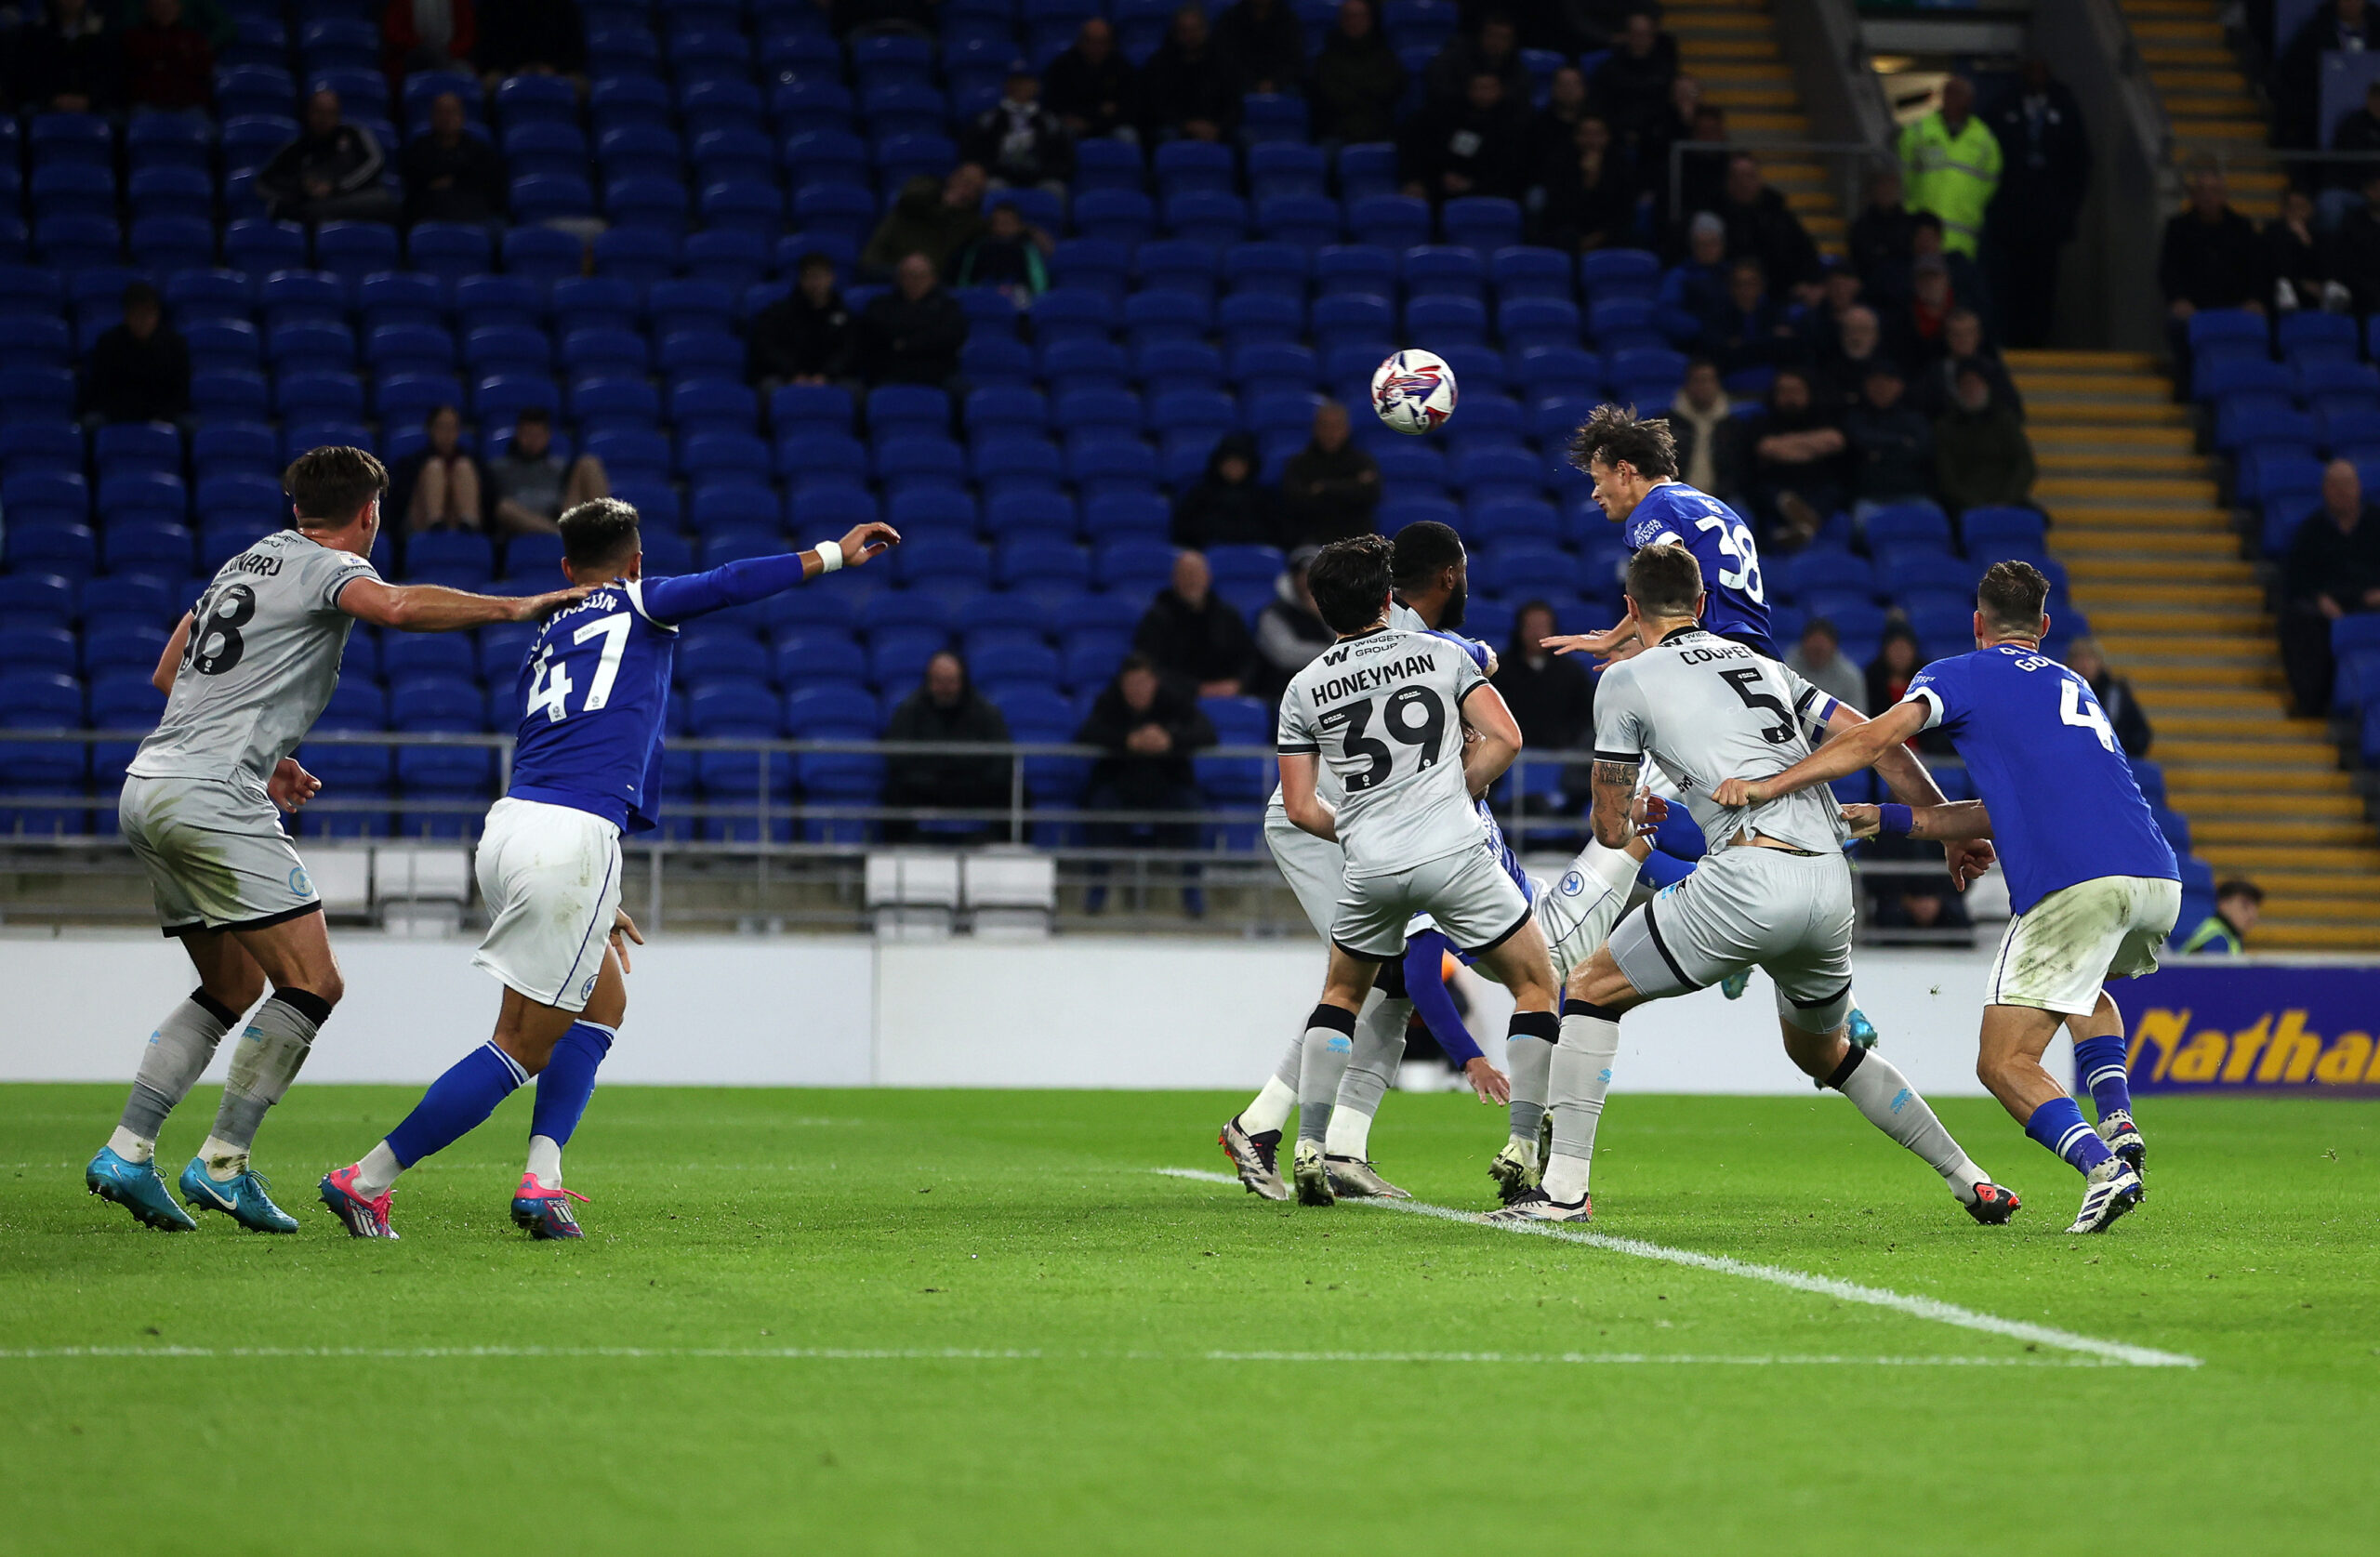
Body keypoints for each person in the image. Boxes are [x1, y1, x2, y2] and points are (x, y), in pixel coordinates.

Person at [321, 504, 899, 1238]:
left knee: (604, 1002)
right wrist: (834, 553)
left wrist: (594, 891)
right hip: (573, 835)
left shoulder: (550, 628)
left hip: (512, 827)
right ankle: (367, 1178)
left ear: (566, 568)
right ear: (636, 560)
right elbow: (729, 582)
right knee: (520, 1044)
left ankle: (543, 1177)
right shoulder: (638, 599)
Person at [85, 446, 588, 1235]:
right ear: (369, 515)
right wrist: (515, 607)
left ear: (296, 510)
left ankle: (128, 1148)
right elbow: (392, 608)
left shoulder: (240, 565)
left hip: (149, 783)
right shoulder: (328, 566)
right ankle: (222, 1164)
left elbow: (169, 668)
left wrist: (271, 753)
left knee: (229, 988)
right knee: (314, 982)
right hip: (215, 793)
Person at [1495, 542, 2006, 1225]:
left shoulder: (1624, 679)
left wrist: (1634, 816)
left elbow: (1611, 827)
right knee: (1823, 1050)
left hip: (1748, 875)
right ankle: (1968, 1175)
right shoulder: (1764, 663)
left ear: (1629, 609)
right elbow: (1880, 739)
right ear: (1703, 605)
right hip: (1830, 882)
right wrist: (1948, 827)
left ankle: (1562, 1194)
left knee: (1588, 987)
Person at [1719, 560, 2179, 1234]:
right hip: (2156, 878)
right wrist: (1896, 820)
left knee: (2003, 1062)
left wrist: (1771, 785)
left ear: (1976, 623)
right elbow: (2014, 809)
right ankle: (2119, 1120)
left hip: (2074, 883)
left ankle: (2102, 1167)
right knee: (2083, 991)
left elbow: (1877, 737)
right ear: (2044, 627)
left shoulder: (1958, 672)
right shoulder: (2074, 683)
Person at [1221, 521, 1529, 1201]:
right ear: (1445, 577)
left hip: (1369, 824)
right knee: (1366, 977)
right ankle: (1258, 1125)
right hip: (1329, 824)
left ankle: (1342, 1150)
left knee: (1385, 982)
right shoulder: (1420, 640)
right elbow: (1473, 665)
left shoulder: (1400, 639)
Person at [1558, 402, 1777, 660]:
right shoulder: (1711, 505)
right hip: (1760, 652)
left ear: (1624, 471)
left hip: (1712, 652)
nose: (1594, 493)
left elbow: (1673, 585)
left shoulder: (1651, 511)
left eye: (1597, 480)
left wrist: (1610, 640)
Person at [1074, 653, 1216, 916]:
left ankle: (1192, 893)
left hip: (1168, 785)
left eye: (1142, 683)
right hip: (1118, 785)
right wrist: (1128, 740)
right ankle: (1096, 892)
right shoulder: (1109, 702)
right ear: (1122, 685)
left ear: (1154, 683)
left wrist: (1170, 739)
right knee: (1098, 808)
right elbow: (1086, 733)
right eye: (1130, 685)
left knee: (1192, 810)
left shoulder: (1173, 700)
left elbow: (1207, 733)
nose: (1136, 690)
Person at [1983, 55, 2090, 349]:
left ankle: (2039, 342)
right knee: (2010, 284)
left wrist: (2067, 209)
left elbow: (2079, 163)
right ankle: (2011, 341)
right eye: (2031, 71)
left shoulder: (2065, 107)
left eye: (2042, 71)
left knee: (2043, 285)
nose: (2036, 76)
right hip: (2011, 221)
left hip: (2049, 221)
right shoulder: (2003, 106)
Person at [880, 651, 1014, 844]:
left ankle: (1004, 849)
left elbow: (1002, 756)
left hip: (973, 787)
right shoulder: (909, 710)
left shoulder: (986, 711)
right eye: (939, 681)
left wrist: (982, 779)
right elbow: (896, 756)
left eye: (950, 681)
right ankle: (899, 849)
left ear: (962, 681)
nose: (945, 688)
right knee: (893, 793)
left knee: (1017, 795)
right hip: (925, 787)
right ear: (929, 681)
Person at [2279, 459, 2380, 713]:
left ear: (2358, 487)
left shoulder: (2377, 523)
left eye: (2347, 484)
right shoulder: (2311, 530)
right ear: (2324, 490)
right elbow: (2298, 579)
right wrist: (2320, 599)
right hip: (2327, 607)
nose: (2341, 491)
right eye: (2334, 485)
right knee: (2298, 619)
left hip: (2371, 604)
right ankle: (2312, 703)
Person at [2159, 165, 2268, 358]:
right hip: (2193, 306)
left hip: (2235, 303)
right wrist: (2178, 299)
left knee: (2261, 320)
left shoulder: (2242, 227)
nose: (2208, 196)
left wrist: (2254, 298)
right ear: (2192, 195)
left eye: (2214, 191)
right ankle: (2187, 383)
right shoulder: (2177, 228)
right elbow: (2168, 270)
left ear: (2225, 195)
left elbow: (2257, 268)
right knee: (2177, 323)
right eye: (2201, 190)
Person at [1498, 600, 1594, 803]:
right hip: (1509, 762)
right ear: (1519, 629)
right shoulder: (1499, 671)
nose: (1537, 633)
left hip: (1563, 761)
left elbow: (1586, 717)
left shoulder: (1572, 672)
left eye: (1543, 627)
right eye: (1530, 627)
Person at [256, 89, 400, 225]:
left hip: (354, 198)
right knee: (312, 210)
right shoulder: (297, 148)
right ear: (308, 113)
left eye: (330, 113)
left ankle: (304, 213)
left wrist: (335, 187)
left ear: (338, 115)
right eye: (319, 112)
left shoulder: (354, 135)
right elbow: (264, 182)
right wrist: (302, 187)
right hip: (315, 203)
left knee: (381, 200)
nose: (324, 119)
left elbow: (376, 162)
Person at [1897, 75, 2001, 261]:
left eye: (1958, 94)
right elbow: (1902, 174)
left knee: (1959, 286)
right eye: (1948, 92)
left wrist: (1969, 206)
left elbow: (1990, 185)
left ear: (1970, 99)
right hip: (1922, 233)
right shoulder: (1918, 130)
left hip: (1962, 236)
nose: (1952, 98)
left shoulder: (1984, 139)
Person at [1743, 367, 1846, 548]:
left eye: (1796, 391)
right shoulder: (1762, 421)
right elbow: (1767, 448)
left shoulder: (1823, 417)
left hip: (1818, 486)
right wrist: (1812, 447)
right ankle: (1807, 524)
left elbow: (1835, 441)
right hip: (1778, 485)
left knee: (1833, 492)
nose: (1790, 396)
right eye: (1784, 391)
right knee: (1766, 493)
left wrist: (1786, 446)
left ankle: (1802, 528)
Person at [1132, 549, 1258, 697]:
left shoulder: (1227, 616)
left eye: (1196, 574)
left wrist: (1237, 684)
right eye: (1185, 575)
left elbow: (1248, 658)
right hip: (1175, 701)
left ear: (1208, 577)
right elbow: (1151, 668)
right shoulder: (1157, 619)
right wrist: (1196, 689)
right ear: (1174, 579)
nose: (1191, 580)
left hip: (1227, 697)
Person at [1399, 70, 1529, 204]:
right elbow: (1417, 147)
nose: (1484, 94)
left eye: (1490, 88)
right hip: (1441, 188)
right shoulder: (1444, 116)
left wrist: (1473, 185)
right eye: (1479, 88)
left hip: (1493, 191)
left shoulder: (1513, 123)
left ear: (1501, 90)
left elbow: (1512, 169)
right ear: (1469, 90)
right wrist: (1419, 179)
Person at [80, 281, 191, 426]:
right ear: (127, 315)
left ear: (157, 314)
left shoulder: (175, 345)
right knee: (90, 423)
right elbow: (101, 388)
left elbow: (180, 393)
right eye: (138, 314)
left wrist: (163, 417)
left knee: (189, 425)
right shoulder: (109, 343)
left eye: (149, 313)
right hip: (117, 415)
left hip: (163, 416)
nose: (144, 321)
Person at [2273, 0, 2380, 150]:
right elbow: (2292, 75)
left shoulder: (2376, 30)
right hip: (2318, 129)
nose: (2351, 3)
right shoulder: (2316, 31)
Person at [1934, 362, 2037, 515]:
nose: (1971, 389)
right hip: (1963, 503)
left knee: (2037, 519)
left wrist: (2006, 500)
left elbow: (2025, 464)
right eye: (1966, 384)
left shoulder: (2004, 420)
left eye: (1975, 383)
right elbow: (1946, 475)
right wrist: (1973, 503)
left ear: (1986, 385)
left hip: (2006, 498)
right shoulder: (1946, 426)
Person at [1718, 152, 1822, 302]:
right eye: (1736, 177)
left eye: (1749, 176)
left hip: (1779, 296)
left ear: (1759, 179)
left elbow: (1805, 251)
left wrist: (1811, 283)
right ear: (1727, 181)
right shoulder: (1714, 217)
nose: (1743, 183)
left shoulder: (1779, 214)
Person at [856, 253, 970, 389]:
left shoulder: (948, 306)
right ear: (899, 278)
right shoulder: (880, 305)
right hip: (893, 372)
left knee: (963, 392)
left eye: (921, 276)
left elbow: (950, 337)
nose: (915, 281)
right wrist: (926, 337)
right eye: (908, 275)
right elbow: (878, 336)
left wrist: (904, 343)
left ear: (933, 279)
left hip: (939, 373)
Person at [746, 251, 856, 391]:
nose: (815, 284)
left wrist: (827, 375)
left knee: (854, 391)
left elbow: (848, 351)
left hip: (831, 378)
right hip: (786, 376)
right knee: (769, 387)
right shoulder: (781, 312)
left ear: (831, 278)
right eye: (810, 277)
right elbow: (767, 347)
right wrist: (793, 373)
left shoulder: (844, 314)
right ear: (801, 280)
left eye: (819, 277)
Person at [490, 406, 607, 536]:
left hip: (559, 517)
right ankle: (558, 532)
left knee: (589, 463)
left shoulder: (560, 467)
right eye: (527, 435)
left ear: (547, 436)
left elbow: (570, 501)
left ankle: (606, 528)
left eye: (537, 435)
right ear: (518, 434)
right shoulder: (499, 468)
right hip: (519, 524)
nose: (532, 441)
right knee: (505, 508)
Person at [1843, 360, 1936, 520]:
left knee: (1935, 526)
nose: (1881, 387)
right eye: (1875, 382)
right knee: (1862, 529)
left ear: (1900, 385)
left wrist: (1878, 454)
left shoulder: (1916, 419)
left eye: (1887, 382)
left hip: (1914, 495)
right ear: (1865, 386)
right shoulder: (1855, 418)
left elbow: (1922, 451)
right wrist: (1901, 441)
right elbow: (1859, 441)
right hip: (1869, 498)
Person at [1278, 402, 1381, 546]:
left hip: (1357, 542)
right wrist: (1351, 487)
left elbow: (1371, 494)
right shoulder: (1299, 464)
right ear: (1315, 428)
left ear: (1346, 429)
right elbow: (1295, 501)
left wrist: (1323, 488)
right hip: (1312, 542)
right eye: (1325, 426)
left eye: (1336, 426)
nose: (1330, 432)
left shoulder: (1362, 462)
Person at [399, 90, 507, 227]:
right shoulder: (418, 149)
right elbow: (415, 184)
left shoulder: (479, 150)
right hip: (430, 213)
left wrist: (452, 180)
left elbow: (489, 184)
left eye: (451, 112)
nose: (446, 118)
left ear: (462, 117)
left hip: (473, 213)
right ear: (432, 117)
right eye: (441, 112)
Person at [861, 164, 987, 280]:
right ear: (953, 177)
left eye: (976, 189)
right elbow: (910, 200)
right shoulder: (922, 191)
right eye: (966, 182)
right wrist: (945, 205)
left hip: (927, 279)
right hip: (884, 266)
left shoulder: (968, 222)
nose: (967, 191)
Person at [1139, 4, 1242, 144]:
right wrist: (1186, 125)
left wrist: (1218, 128)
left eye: (1195, 29)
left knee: (1244, 139)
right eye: (1184, 30)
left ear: (1205, 30)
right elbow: (1154, 106)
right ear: (1176, 32)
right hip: (1175, 128)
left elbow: (1235, 106)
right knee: (1165, 137)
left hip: (1216, 129)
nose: (1190, 36)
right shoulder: (1160, 64)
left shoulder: (1223, 62)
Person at [1308, 0, 1405, 146]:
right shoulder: (1326, 59)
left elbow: (1391, 89)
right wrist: (1366, 92)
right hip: (1337, 132)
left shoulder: (1386, 57)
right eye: (1349, 16)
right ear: (1341, 21)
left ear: (1370, 20)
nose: (1355, 21)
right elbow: (1330, 95)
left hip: (1379, 129)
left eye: (1360, 16)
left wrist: (1355, 91)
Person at [963, 66, 1072, 194]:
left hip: (1041, 177)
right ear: (1007, 85)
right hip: (1000, 176)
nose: (1021, 87)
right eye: (1016, 82)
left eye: (1026, 82)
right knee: (992, 187)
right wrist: (994, 169)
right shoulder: (989, 120)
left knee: (1055, 190)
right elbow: (972, 153)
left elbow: (1065, 159)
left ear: (1036, 86)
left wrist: (1043, 171)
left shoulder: (1049, 122)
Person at [1172, 431, 1288, 550]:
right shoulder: (1200, 494)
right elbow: (1184, 531)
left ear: (1249, 465)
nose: (1234, 467)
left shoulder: (1263, 496)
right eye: (1229, 462)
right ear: (1219, 464)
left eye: (1239, 463)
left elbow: (1277, 533)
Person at [1539, 115, 1635, 254]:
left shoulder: (1620, 165)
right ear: (1576, 137)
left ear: (1607, 137)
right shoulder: (1560, 163)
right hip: (1569, 233)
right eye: (1585, 134)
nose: (1591, 141)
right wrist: (1587, 181)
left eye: (1597, 134)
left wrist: (1599, 236)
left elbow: (1624, 211)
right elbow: (1558, 211)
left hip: (1608, 234)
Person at [1250, 547, 1334, 702]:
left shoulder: (1336, 609)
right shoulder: (1273, 614)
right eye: (1301, 575)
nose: (1306, 581)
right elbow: (1286, 654)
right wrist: (1336, 654)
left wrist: (1323, 616)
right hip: (1285, 694)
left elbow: (1348, 639)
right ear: (1292, 578)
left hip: (1328, 691)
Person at [1697, 257, 1799, 380]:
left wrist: (1742, 345)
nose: (1744, 289)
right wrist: (1767, 340)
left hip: (1775, 384)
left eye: (1750, 283)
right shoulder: (1717, 315)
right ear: (1730, 287)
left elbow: (1785, 348)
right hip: (1728, 383)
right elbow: (1718, 354)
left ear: (1761, 285)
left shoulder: (1776, 312)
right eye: (1738, 284)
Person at [8, 0, 121, 113]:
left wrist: (89, 100)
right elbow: (29, 76)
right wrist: (53, 99)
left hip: (95, 109)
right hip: (46, 108)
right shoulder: (34, 35)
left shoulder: (103, 34)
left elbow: (110, 77)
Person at [389, 403, 486, 532]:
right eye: (442, 427)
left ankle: (468, 526)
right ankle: (435, 524)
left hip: (456, 518)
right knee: (435, 467)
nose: (447, 434)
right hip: (420, 520)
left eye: (452, 428)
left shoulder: (473, 460)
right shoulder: (412, 462)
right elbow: (398, 501)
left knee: (464, 467)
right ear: (431, 429)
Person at [1587, 8, 1677, 146]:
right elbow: (1599, 103)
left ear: (1653, 37)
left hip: (1655, 139)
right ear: (1626, 36)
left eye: (1644, 34)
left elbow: (1666, 108)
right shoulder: (1608, 69)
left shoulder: (1665, 70)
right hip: (1613, 137)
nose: (1640, 39)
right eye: (1635, 34)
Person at [1043, 16, 1138, 143]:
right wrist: (1098, 110)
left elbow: (1128, 106)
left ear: (1111, 43)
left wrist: (1097, 121)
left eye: (1102, 42)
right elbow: (1057, 104)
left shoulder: (1121, 66)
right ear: (1081, 41)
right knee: (1059, 132)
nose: (1096, 47)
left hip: (1110, 125)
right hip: (1074, 123)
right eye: (1091, 41)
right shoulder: (1062, 66)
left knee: (1128, 135)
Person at [1425, 8, 1530, 112]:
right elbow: (1439, 86)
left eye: (1503, 38)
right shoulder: (1457, 57)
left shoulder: (1516, 66)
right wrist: (1469, 91)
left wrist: (1500, 93)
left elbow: (1522, 91)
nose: (1496, 43)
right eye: (1492, 35)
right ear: (1481, 35)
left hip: (1499, 120)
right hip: (1458, 116)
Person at [2063, 637, 2152, 759]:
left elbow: (2141, 734)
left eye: (2090, 658)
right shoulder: (2060, 691)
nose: (2085, 664)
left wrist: (2118, 753)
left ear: (2100, 662)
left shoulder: (2117, 693)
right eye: (2079, 658)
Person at [2266, 186, 2348, 316]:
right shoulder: (2272, 232)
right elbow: (2271, 266)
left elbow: (2323, 265)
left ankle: (2331, 288)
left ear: (2311, 209)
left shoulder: (2320, 236)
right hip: (2284, 287)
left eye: (2301, 207)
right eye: (2292, 208)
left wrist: (2306, 241)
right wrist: (2301, 284)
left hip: (2317, 288)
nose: (2297, 212)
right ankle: (2287, 291)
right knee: (2282, 284)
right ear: (2284, 209)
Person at [1664, 356, 1738, 498]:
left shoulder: (1731, 424)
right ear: (1687, 384)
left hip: (1722, 498)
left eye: (1708, 380)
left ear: (1718, 384)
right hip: (1677, 497)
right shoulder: (1668, 423)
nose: (1703, 387)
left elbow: (1739, 471)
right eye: (1698, 381)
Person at [1654, 213, 1733, 345]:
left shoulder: (1732, 273)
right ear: (1692, 246)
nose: (1708, 250)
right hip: (1697, 345)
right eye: (1702, 244)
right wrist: (1702, 328)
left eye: (1713, 243)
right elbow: (1666, 314)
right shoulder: (1679, 275)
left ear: (1722, 245)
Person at [955, 199, 1054, 302]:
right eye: (999, 223)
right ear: (991, 225)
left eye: (1008, 223)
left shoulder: (1026, 248)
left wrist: (1038, 299)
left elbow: (1038, 282)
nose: (1003, 227)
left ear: (1019, 226)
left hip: (1017, 297)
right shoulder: (979, 247)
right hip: (983, 294)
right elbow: (965, 279)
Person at [121, 0, 211, 112]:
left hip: (188, 106)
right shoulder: (134, 38)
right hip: (147, 105)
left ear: (178, 8)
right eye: (159, 6)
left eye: (169, 6)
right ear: (148, 9)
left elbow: (200, 71)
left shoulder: (193, 38)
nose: (164, 11)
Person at [472, 0, 585, 90]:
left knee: (580, 85)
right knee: (489, 83)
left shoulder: (563, 5)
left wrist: (554, 68)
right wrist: (513, 69)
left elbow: (574, 49)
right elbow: (489, 48)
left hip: (556, 70)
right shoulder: (494, 5)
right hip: (506, 70)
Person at [1849, 164, 1919, 303]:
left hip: (1906, 293)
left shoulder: (1911, 224)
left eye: (1891, 185)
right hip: (1872, 293)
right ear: (1872, 190)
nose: (1886, 190)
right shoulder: (1861, 227)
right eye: (1882, 185)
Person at [1211, 0, 1304, 95]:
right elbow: (1226, 58)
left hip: (1282, 84)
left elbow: (1295, 59)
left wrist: (1275, 82)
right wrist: (1252, 82)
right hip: (1240, 83)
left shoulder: (1288, 19)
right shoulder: (1231, 18)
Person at [1785, 616, 1863, 714]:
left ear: (1834, 647)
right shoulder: (1786, 670)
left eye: (1822, 648)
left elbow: (1858, 718)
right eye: (1814, 647)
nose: (1818, 649)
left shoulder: (1850, 676)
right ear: (1803, 644)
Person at [382, 0, 475, 75]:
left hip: (451, 58)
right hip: (412, 57)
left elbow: (468, 35)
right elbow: (393, 32)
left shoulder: (460, 2)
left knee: (464, 72)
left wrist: (449, 52)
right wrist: (419, 47)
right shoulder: (401, 2)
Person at [2179, 879, 2263, 954]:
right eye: (2245, 906)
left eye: (2255, 909)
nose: (2252, 915)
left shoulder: (2229, 936)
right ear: (2223, 904)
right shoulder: (2217, 939)